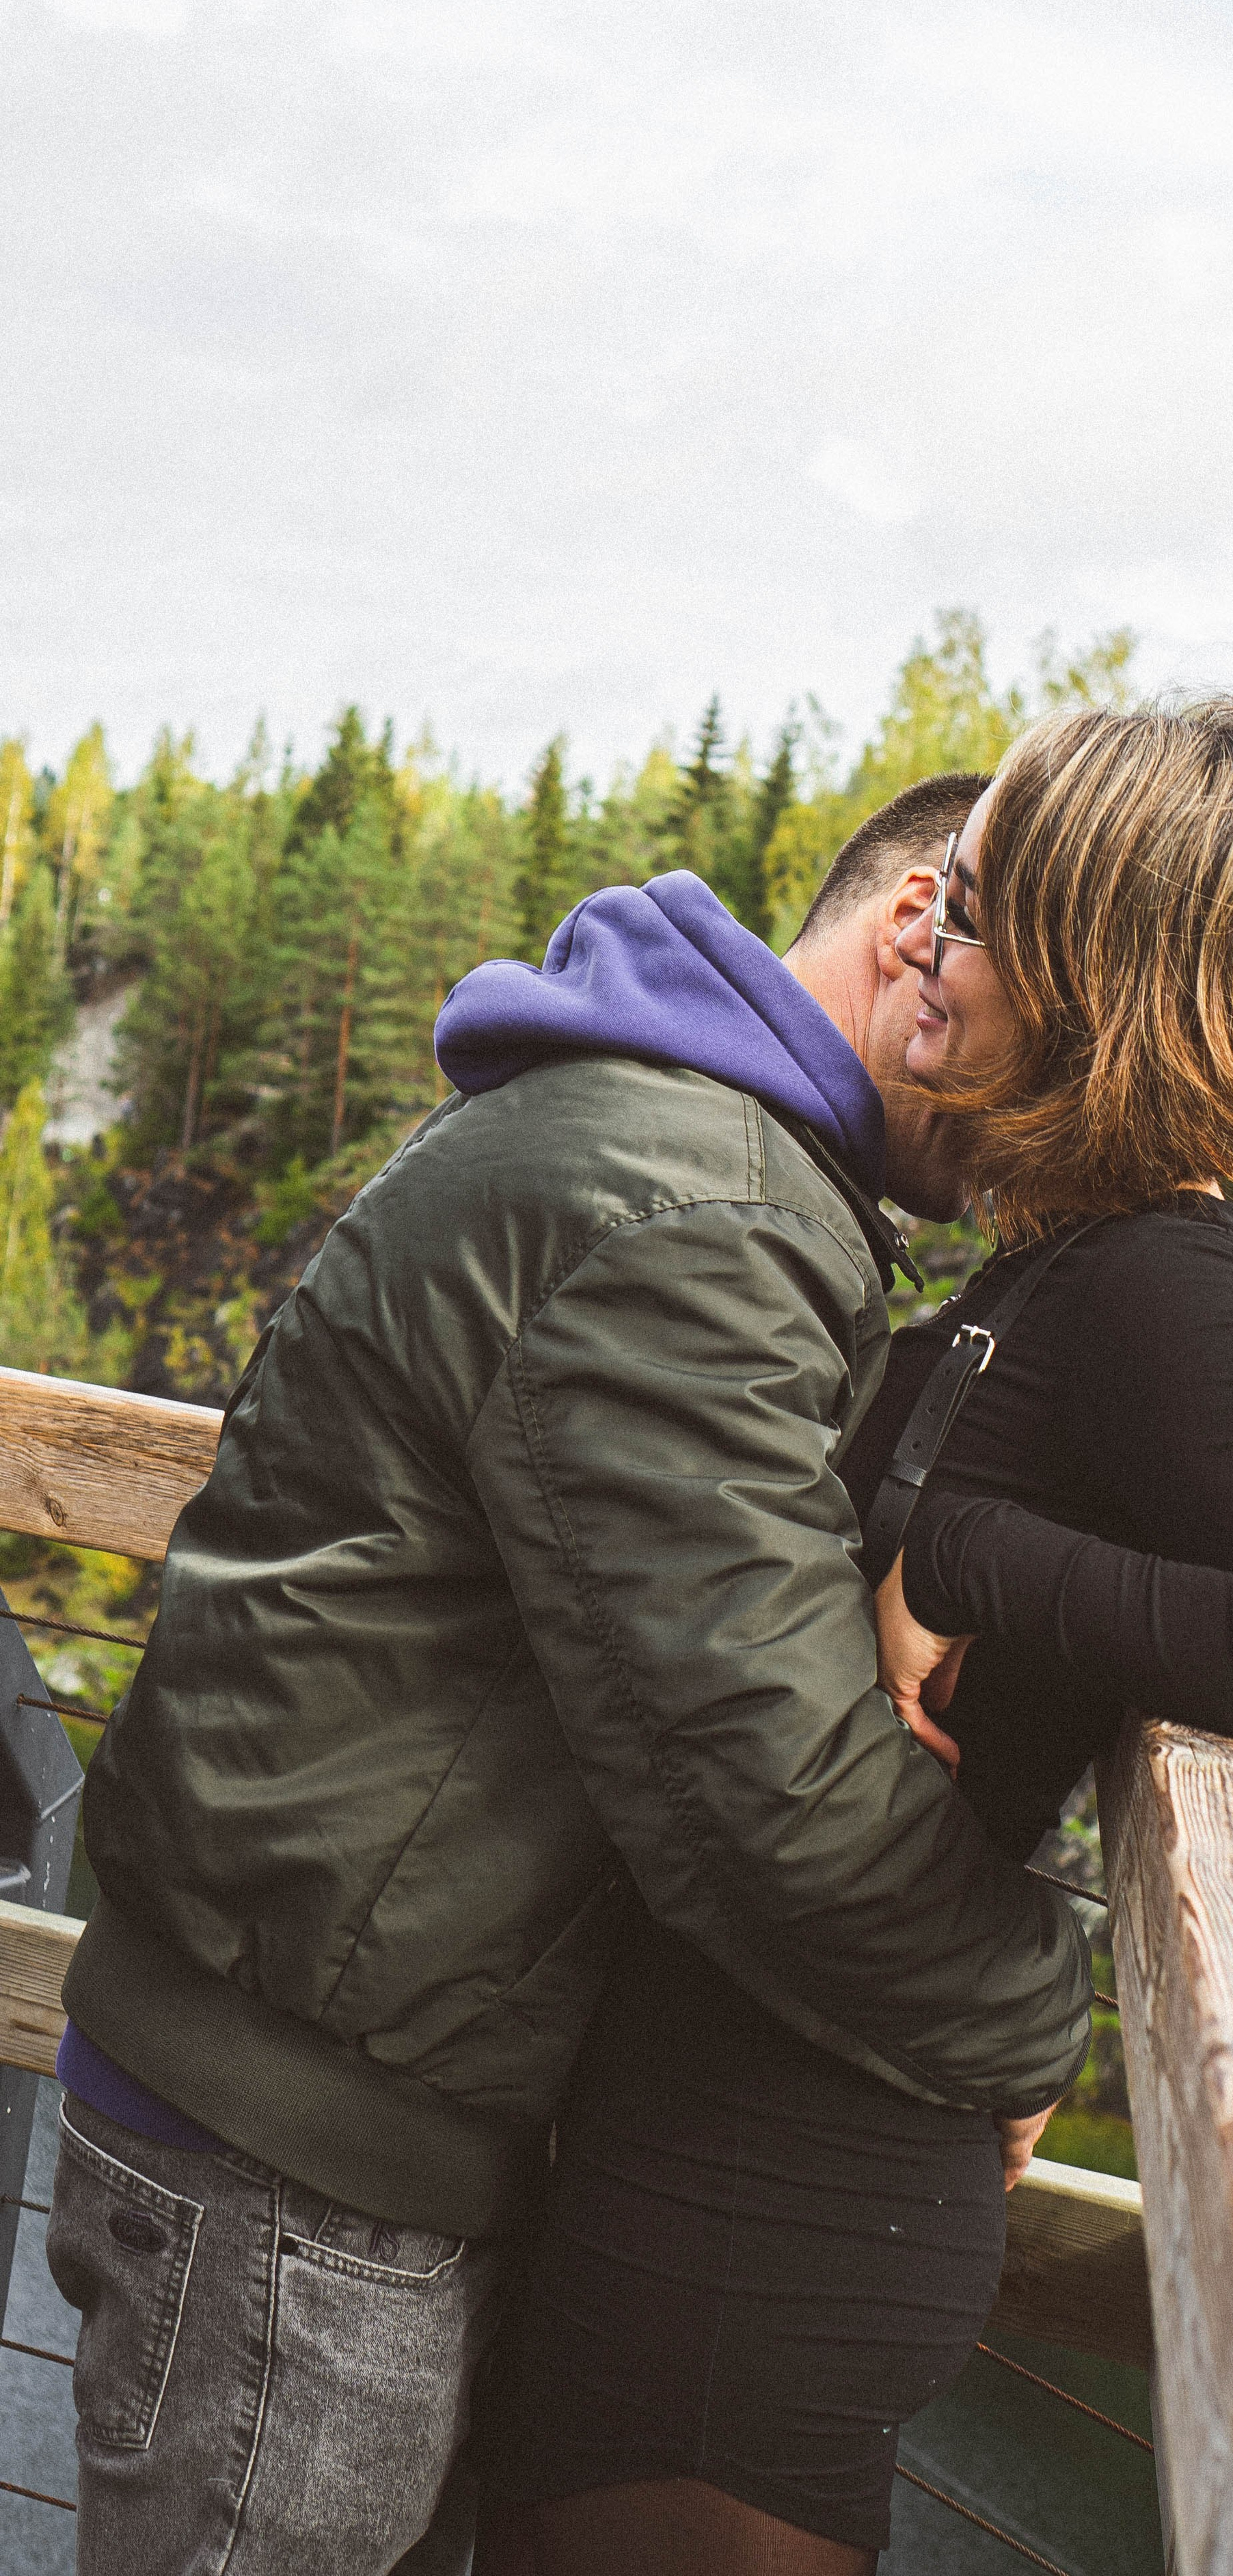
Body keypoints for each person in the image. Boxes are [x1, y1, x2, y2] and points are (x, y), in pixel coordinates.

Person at [45, 771, 1090, 2576]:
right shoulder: (693, 1212)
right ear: (928, 924)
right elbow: (755, 1784)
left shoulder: (688, 1147)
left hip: (327, 2100)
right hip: (304, 2160)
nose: (1053, 1141)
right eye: (1059, 1061)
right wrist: (1019, 2017)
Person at [474, 698, 1233, 2576]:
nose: (932, 928)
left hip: (767, 2217)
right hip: (721, 2145)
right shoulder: (1069, 1264)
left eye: (994, 911)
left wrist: (972, 1557)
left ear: (1114, 981)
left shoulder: (1173, 1283)